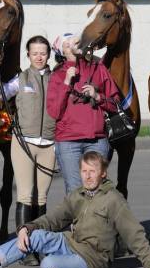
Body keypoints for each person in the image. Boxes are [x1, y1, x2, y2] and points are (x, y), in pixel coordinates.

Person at [0, 151, 150, 268]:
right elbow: (54, 219)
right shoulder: (77, 195)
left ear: (102, 173)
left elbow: (134, 233)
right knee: (35, 236)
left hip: (94, 258)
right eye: (84, 171)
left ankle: (50, 261)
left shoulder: (114, 199)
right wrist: (27, 228)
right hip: (72, 243)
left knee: (48, 265)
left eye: (92, 171)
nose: (87, 176)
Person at [0, 35, 56, 266]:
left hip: (48, 144)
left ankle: (41, 246)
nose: (39, 56)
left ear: (49, 55)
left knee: (42, 197)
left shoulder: (56, 78)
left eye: (43, 52)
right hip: (24, 144)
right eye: (34, 52)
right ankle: (24, 249)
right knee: (26, 195)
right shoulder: (21, 78)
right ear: (28, 55)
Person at [47, 33, 120, 193]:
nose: (72, 46)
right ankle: (78, 219)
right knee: (75, 191)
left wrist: (97, 96)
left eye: (75, 42)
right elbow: (54, 112)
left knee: (97, 189)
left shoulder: (98, 69)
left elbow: (115, 105)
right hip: (68, 142)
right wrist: (66, 82)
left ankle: (96, 219)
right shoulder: (57, 75)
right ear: (62, 53)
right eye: (66, 45)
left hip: (97, 141)